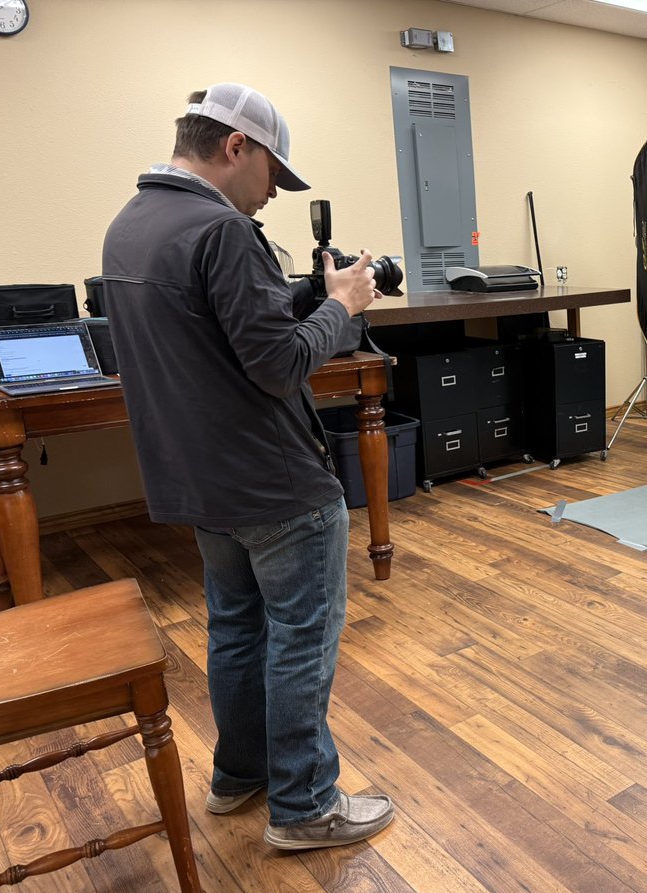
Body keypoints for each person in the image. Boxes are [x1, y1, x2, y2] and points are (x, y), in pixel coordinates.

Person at [102, 82, 396, 849]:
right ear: (237, 148)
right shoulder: (224, 231)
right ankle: (306, 807)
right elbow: (278, 364)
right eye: (274, 174)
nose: (273, 194)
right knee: (301, 636)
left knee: (235, 630)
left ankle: (242, 777)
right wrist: (345, 308)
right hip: (276, 486)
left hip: (202, 484)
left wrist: (308, 290)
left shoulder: (131, 225)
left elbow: (226, 328)